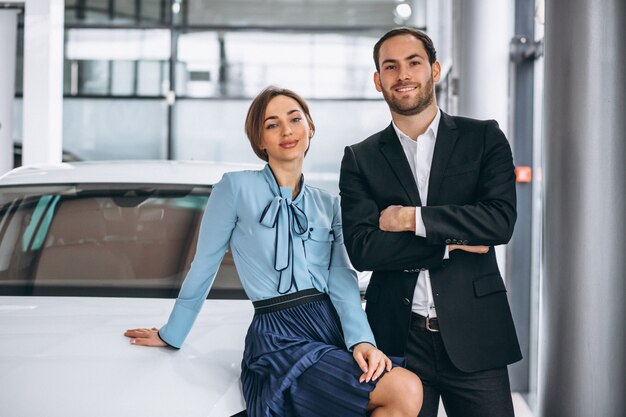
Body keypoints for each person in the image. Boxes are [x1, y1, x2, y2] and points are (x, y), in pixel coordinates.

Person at [125, 86, 422, 417]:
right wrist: (172, 334)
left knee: (399, 395)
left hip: (329, 329)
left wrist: (361, 341)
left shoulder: (330, 204)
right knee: (405, 389)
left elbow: (341, 278)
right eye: (272, 124)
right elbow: (204, 265)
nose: (287, 131)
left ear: (310, 127)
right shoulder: (234, 188)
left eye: (295, 119)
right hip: (278, 334)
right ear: (259, 140)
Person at [339, 28, 522, 417]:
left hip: (476, 332)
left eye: (413, 62)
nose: (402, 74)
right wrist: (447, 242)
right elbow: (362, 249)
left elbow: (499, 222)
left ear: (434, 70)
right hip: (395, 341)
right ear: (378, 80)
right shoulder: (360, 158)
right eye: (390, 67)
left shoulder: (483, 138)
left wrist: (411, 218)